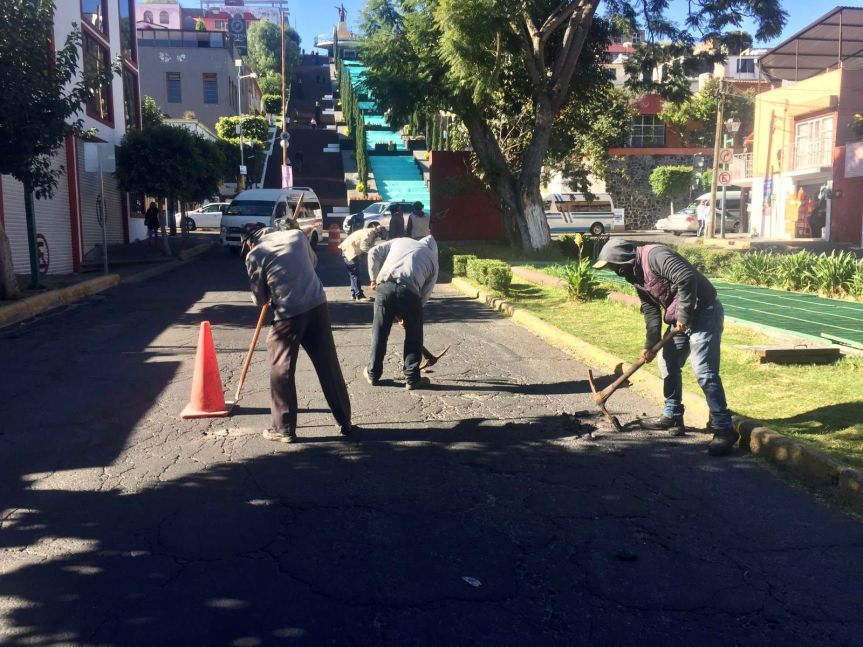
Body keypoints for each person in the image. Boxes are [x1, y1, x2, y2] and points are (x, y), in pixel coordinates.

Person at [592, 239, 738, 456]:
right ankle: (672, 415)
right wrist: (650, 344)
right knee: (667, 363)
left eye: (611, 266)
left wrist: (684, 314)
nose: (612, 271)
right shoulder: (636, 275)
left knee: (704, 371)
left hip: (704, 313)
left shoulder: (655, 255)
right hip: (678, 319)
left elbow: (686, 278)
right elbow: (650, 309)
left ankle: (724, 428)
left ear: (621, 261)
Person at [244, 224, 356, 442]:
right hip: (317, 304)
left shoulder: (255, 254)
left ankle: (283, 429)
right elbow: (312, 262)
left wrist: (266, 290)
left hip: (289, 314)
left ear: (249, 242)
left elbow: (260, 299)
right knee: (328, 364)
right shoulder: (296, 236)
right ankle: (345, 421)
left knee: (281, 369)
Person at [365, 236, 439, 390]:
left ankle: (373, 374)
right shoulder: (432, 259)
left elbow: (373, 252)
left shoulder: (401, 241)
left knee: (379, 332)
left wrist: (373, 278)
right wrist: (411, 315)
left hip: (384, 287)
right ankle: (412, 379)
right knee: (414, 336)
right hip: (410, 293)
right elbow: (425, 293)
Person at [339, 222, 386, 301]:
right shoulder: (368, 234)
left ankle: (354, 293)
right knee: (355, 273)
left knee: (353, 274)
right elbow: (364, 247)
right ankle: (359, 295)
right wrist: (374, 254)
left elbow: (370, 246)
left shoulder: (372, 234)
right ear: (378, 232)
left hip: (350, 250)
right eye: (380, 235)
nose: (379, 237)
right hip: (349, 251)